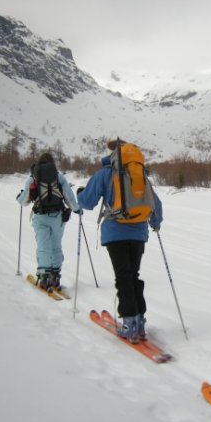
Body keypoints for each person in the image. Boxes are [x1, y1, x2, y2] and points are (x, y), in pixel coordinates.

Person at [77, 139, 163, 344]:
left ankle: (129, 323)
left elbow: (87, 202)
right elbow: (155, 204)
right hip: (139, 233)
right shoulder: (140, 175)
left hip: (115, 233)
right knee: (133, 275)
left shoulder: (106, 174)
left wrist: (80, 194)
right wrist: (156, 223)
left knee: (123, 277)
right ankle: (139, 321)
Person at [17, 152, 79, 291]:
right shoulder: (58, 177)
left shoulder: (33, 178)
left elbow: (24, 201)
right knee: (56, 245)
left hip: (40, 217)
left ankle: (44, 276)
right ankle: (55, 277)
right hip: (58, 217)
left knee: (44, 245)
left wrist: (19, 197)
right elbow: (69, 197)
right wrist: (76, 209)